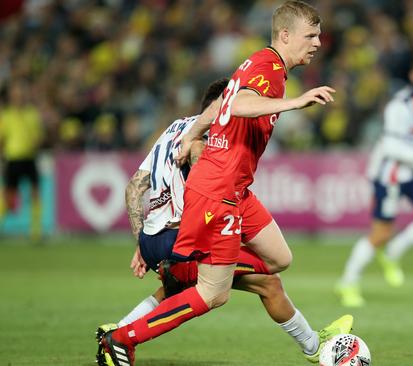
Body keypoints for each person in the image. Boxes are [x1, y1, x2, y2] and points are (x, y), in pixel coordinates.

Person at [98, 2, 343, 365]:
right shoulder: (270, 68)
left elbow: (220, 105)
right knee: (213, 293)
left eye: (319, 35)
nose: (318, 42)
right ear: (286, 35)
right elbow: (240, 103)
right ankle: (123, 337)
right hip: (218, 193)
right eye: (311, 35)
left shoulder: (259, 63)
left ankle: (139, 317)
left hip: (236, 190)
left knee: (279, 259)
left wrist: (192, 134)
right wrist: (295, 103)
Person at [336, 52, 413, 307]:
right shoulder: (398, 106)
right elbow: (389, 146)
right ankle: (347, 283)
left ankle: (393, 252)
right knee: (380, 233)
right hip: (389, 174)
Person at [0, 79, 43, 239]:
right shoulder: (6, 115)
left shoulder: (31, 114)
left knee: (35, 193)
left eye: (20, 93)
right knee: (9, 196)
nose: (18, 96)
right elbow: (2, 139)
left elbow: (38, 135)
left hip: (29, 158)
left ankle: (35, 231)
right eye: (15, 93)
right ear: (11, 96)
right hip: (13, 158)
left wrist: (37, 141)